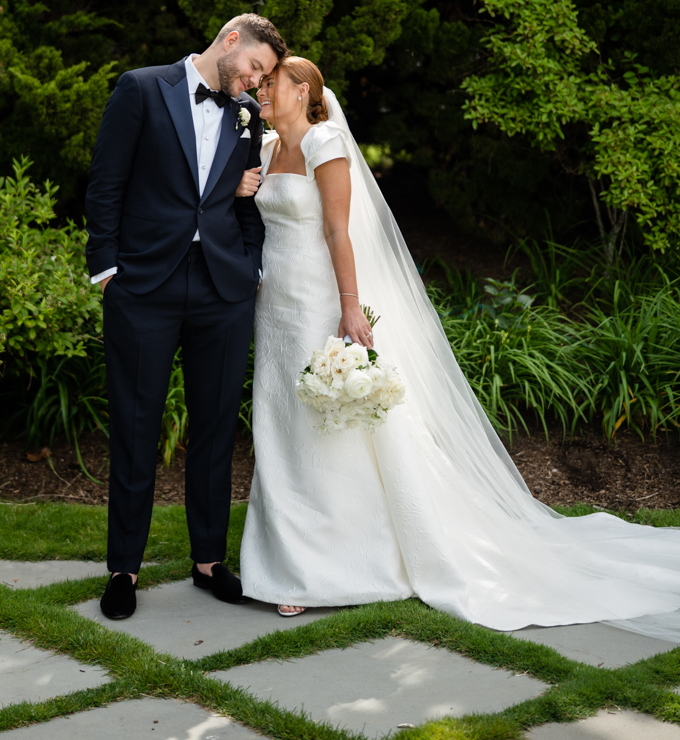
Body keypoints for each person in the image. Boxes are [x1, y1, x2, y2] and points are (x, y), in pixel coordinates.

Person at [237, 56, 680, 637]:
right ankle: (286, 555)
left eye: (271, 84)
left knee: (331, 425)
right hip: (275, 307)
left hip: (320, 298)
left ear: (304, 91)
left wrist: (349, 304)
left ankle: (332, 562)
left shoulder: (326, 141)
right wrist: (243, 187)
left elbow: (338, 230)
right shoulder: (265, 149)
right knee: (282, 421)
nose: (260, 91)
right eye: (260, 83)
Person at [85, 14, 287, 620]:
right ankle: (124, 568)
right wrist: (106, 268)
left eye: (265, 76)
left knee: (216, 427)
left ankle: (208, 561)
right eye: (255, 66)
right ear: (231, 41)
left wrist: (249, 266)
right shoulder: (141, 89)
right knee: (136, 425)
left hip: (223, 289)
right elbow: (105, 183)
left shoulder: (244, 113)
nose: (255, 81)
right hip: (144, 285)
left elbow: (246, 198)